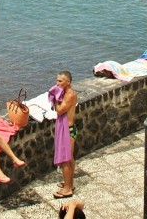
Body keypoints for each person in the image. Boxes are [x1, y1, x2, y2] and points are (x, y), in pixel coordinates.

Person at [50, 71, 78, 199]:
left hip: (67, 130)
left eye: (60, 81)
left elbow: (60, 111)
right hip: (68, 128)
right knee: (69, 158)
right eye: (57, 81)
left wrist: (55, 98)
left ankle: (67, 189)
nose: (57, 83)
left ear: (68, 82)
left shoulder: (70, 95)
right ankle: (69, 184)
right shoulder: (66, 93)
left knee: (65, 160)